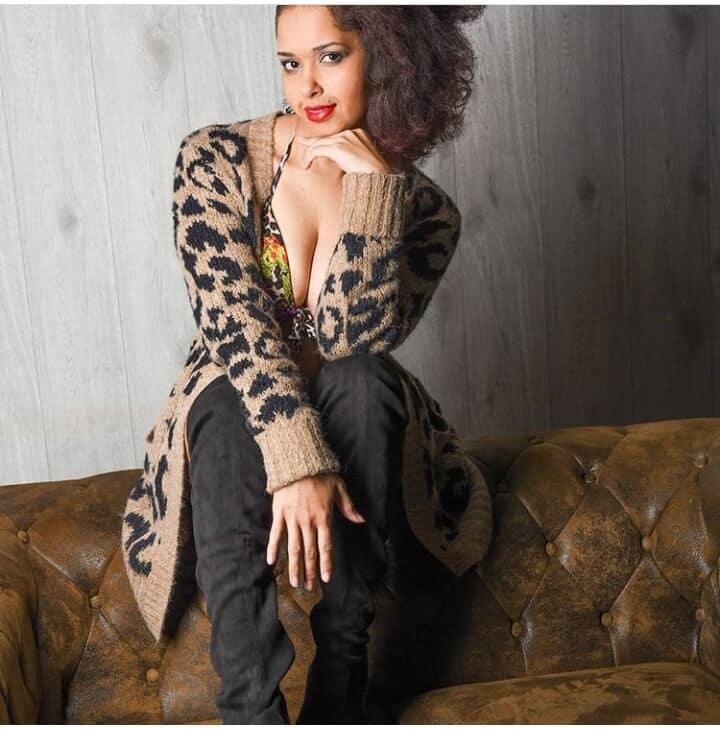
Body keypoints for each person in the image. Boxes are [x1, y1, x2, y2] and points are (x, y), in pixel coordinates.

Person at [125, 4, 489, 725]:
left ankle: (340, 687)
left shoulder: (427, 214)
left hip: (360, 413)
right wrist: (298, 464)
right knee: (223, 400)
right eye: (291, 63)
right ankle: (250, 709)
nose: (307, 86)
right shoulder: (213, 160)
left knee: (363, 379)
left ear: (389, 54)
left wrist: (375, 194)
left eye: (331, 56)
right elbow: (235, 328)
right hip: (239, 405)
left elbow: (355, 338)